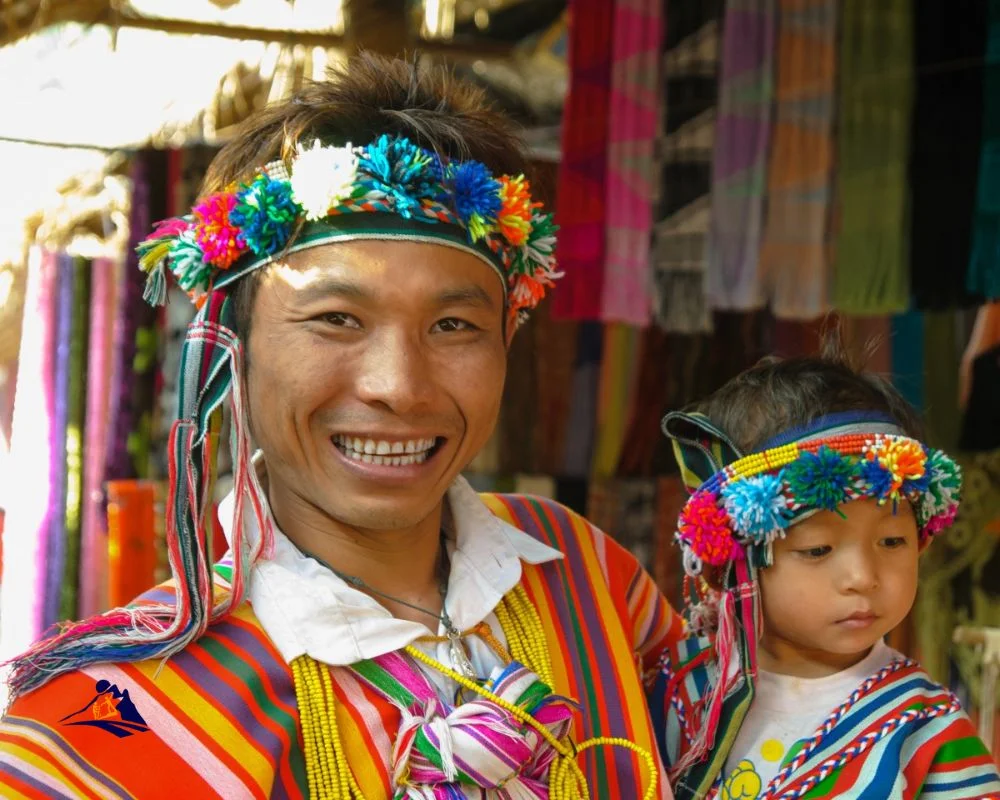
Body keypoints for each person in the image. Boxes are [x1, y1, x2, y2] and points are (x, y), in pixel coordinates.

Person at [0, 54, 683, 799]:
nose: (398, 387)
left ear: (508, 341)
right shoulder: (114, 722)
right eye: (336, 319)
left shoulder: (584, 575)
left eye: (453, 325)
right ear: (233, 346)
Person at [649, 334, 1000, 800]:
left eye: (892, 540)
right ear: (729, 566)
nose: (863, 577)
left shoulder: (926, 733)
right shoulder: (675, 687)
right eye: (817, 550)